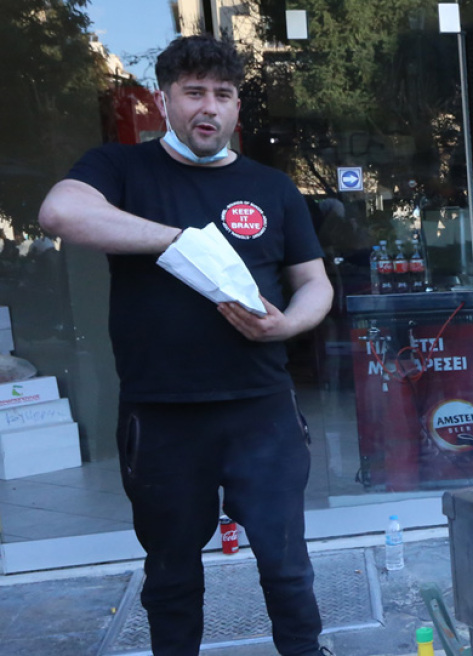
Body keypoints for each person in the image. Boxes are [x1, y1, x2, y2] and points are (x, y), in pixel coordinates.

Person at [38, 36, 333, 656]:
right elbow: (60, 213)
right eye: (193, 92)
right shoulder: (120, 169)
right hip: (162, 414)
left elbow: (315, 283)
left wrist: (288, 325)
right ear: (163, 99)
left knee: (287, 568)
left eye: (223, 95)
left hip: (262, 410)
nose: (210, 107)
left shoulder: (273, 188)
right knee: (171, 574)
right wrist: (180, 242)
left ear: (236, 108)